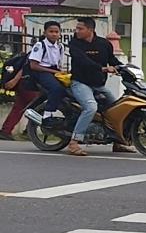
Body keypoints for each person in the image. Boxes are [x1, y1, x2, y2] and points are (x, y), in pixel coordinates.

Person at [67, 17, 131, 156]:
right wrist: (102, 69)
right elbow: (83, 61)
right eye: (77, 28)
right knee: (91, 107)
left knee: (117, 109)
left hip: (99, 85)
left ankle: (118, 142)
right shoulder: (74, 43)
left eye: (80, 28)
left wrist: (124, 68)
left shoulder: (104, 44)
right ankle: (74, 142)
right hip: (80, 83)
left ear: (90, 29)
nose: (77, 31)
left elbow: (112, 60)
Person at [27, 21, 66, 127]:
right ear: (45, 33)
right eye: (51, 31)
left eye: (56, 32)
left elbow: (58, 64)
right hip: (41, 72)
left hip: (54, 71)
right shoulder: (40, 45)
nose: (54, 34)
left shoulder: (60, 46)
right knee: (56, 88)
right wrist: (54, 72)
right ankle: (47, 115)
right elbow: (33, 65)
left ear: (60, 33)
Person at [0, 54, 40, 141]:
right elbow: (25, 67)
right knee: (38, 106)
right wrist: (14, 81)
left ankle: (6, 130)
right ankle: (28, 131)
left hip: (25, 83)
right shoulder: (40, 50)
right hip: (29, 83)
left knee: (19, 107)